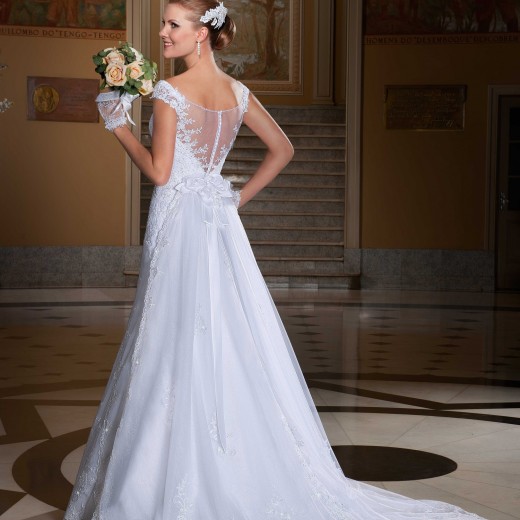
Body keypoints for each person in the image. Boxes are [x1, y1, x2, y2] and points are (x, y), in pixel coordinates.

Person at [64, 1, 486, 518]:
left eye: (173, 24)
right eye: (164, 23)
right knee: (225, 333)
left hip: (177, 225)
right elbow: (283, 149)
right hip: (218, 223)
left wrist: (118, 126)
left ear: (202, 33)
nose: (163, 33)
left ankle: (170, 471)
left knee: (167, 334)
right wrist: (234, 198)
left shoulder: (171, 92)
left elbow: (159, 172)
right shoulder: (237, 92)